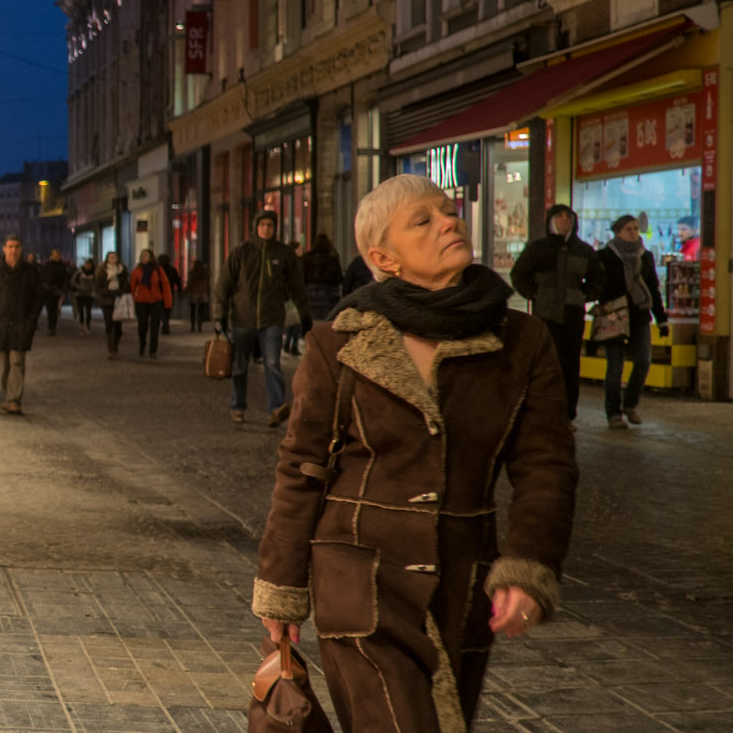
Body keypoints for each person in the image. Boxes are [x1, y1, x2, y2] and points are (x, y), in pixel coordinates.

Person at [252, 174, 577, 733]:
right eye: (422, 220)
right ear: (384, 256)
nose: (449, 221)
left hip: (461, 584)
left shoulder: (522, 341)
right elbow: (302, 468)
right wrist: (281, 593)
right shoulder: (340, 343)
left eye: (448, 210)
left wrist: (529, 565)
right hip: (356, 582)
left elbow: (546, 464)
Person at [217, 209, 312, 425]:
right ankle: (238, 406)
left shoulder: (283, 254)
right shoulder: (242, 252)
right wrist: (220, 314)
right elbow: (224, 284)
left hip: (272, 319)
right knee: (240, 366)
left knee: (272, 364)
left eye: (270, 225)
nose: (266, 229)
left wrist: (305, 316)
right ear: (256, 227)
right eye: (263, 225)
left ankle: (276, 408)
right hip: (242, 318)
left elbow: (298, 287)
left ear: (275, 228)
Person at [511, 204, 605, 424]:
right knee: (547, 363)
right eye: (560, 216)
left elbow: (598, 278)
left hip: (572, 314)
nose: (564, 220)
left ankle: (567, 414)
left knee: (571, 364)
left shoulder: (583, 250)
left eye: (568, 216)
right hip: (545, 314)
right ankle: (545, 410)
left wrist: (584, 296)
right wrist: (535, 294)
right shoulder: (538, 248)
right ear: (551, 220)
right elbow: (519, 275)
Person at [597, 215, 670, 429]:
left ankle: (630, 403)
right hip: (615, 316)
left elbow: (652, 288)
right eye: (628, 229)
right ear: (617, 232)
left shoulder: (644, 256)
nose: (633, 232)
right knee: (615, 365)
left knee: (643, 361)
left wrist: (662, 319)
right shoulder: (605, 256)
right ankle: (613, 413)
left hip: (639, 314)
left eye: (636, 228)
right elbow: (597, 284)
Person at [0, 235, 43, 414]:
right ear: (4, 249)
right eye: (10, 246)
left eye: (16, 246)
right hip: (0, 324)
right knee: (6, 363)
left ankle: (14, 399)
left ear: (21, 249)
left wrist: (31, 319)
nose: (13, 250)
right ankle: (8, 394)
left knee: (17, 361)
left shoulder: (30, 272)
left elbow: (38, 297)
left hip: (21, 324)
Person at [130, 248, 173, 359]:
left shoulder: (158, 270)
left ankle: (153, 350)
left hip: (156, 301)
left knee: (155, 326)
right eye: (142, 256)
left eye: (146, 255)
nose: (144, 258)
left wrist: (167, 303)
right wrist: (132, 301)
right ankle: (142, 344)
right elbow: (132, 287)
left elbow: (165, 286)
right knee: (142, 326)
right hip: (141, 301)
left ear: (151, 257)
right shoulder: (137, 271)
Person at [302, 234, 345, 327]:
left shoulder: (306, 259)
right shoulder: (332, 259)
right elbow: (339, 278)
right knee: (327, 323)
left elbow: (301, 278)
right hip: (329, 296)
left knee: (313, 323)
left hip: (310, 295)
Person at [94, 251, 130, 359]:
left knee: (118, 328)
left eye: (115, 257)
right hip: (107, 301)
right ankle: (111, 350)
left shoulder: (122, 271)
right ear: (107, 259)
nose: (113, 259)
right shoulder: (102, 271)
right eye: (111, 257)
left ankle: (115, 345)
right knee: (109, 325)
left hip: (118, 301)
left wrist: (119, 292)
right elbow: (98, 287)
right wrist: (109, 292)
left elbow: (126, 285)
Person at [40, 249, 72, 336]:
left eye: (57, 255)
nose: (56, 257)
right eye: (54, 255)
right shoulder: (47, 265)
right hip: (48, 290)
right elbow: (43, 277)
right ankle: (51, 327)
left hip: (57, 291)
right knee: (50, 309)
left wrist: (63, 289)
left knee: (55, 309)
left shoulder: (62, 266)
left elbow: (65, 278)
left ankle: (52, 326)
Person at [70, 257, 101, 333]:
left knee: (88, 311)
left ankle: (87, 325)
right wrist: (79, 287)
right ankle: (82, 325)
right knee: (81, 312)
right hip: (80, 294)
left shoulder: (93, 273)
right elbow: (72, 281)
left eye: (89, 264)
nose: (88, 266)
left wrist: (94, 290)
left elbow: (96, 282)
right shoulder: (79, 272)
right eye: (86, 264)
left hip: (89, 295)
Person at [157, 253, 184, 336]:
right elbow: (177, 281)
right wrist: (180, 291)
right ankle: (166, 325)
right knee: (167, 310)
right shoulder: (172, 270)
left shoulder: (158, 270)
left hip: (160, 293)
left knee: (161, 310)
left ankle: (165, 325)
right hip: (169, 292)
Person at [184, 258, 211, 332]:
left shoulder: (192, 272)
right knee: (200, 311)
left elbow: (190, 284)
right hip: (203, 293)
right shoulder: (206, 272)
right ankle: (199, 326)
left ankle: (193, 326)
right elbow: (208, 283)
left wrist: (185, 292)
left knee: (192, 310)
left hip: (194, 293)